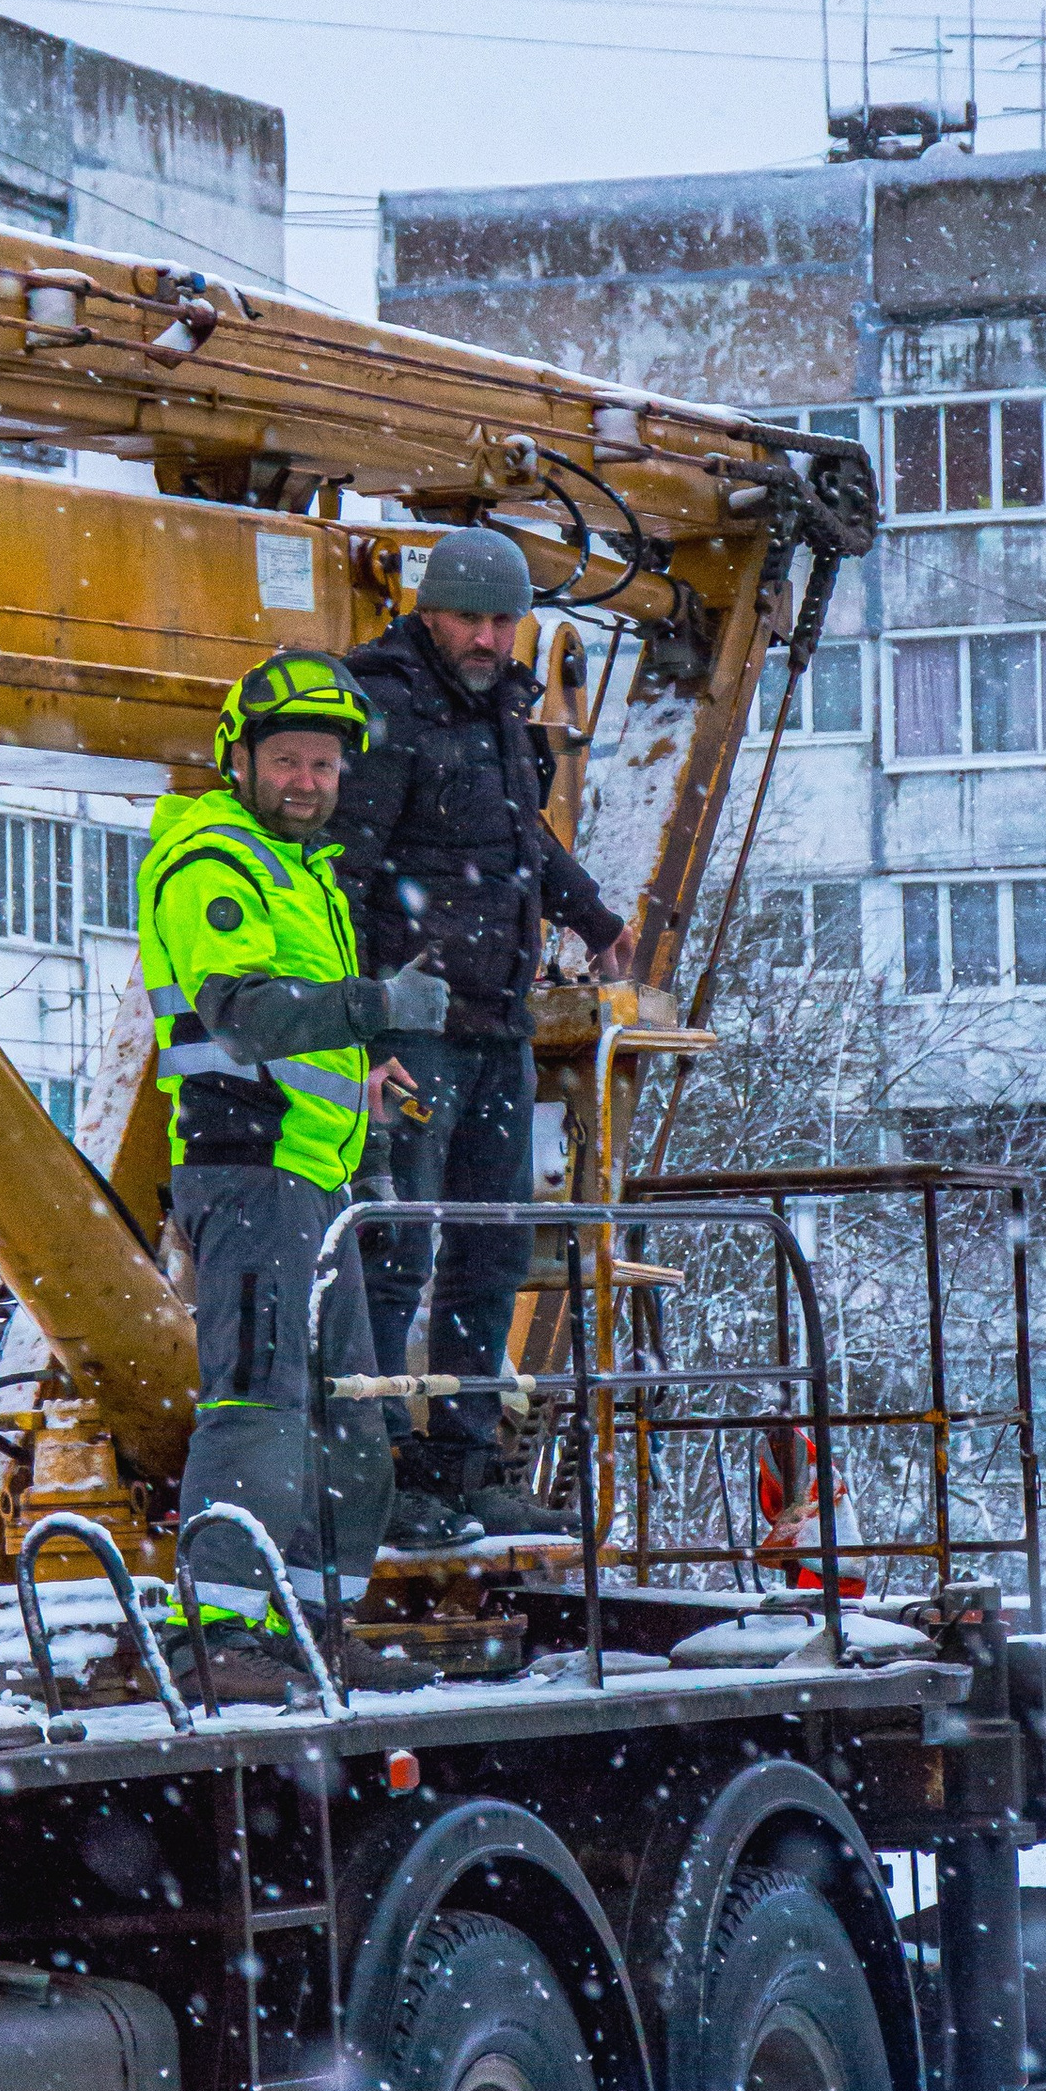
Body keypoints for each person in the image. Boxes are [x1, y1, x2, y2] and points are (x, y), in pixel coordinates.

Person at [138, 651, 450, 1702]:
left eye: (323, 763)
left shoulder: (304, 871)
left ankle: (311, 1624)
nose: (308, 780)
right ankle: (211, 1638)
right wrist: (376, 1009)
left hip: (314, 1185)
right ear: (239, 760)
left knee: (349, 1413)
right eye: (287, 759)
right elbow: (250, 1016)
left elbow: (307, 1034)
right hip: (249, 1174)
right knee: (260, 1407)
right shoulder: (213, 865)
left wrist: (367, 1069)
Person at [335, 527, 635, 1547]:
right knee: (394, 1246)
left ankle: (462, 1464)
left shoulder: (504, 710)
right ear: (429, 611)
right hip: (415, 1038)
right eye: (471, 616)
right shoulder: (377, 706)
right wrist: (368, 1020)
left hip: (495, 1023)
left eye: (504, 620)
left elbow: (521, 836)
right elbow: (349, 871)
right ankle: (378, 1472)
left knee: (490, 1248)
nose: (489, 635)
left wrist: (594, 917)